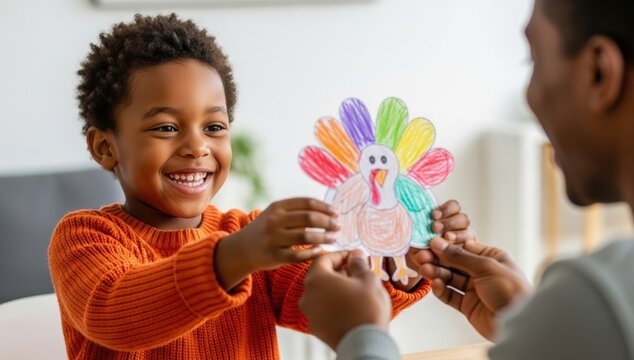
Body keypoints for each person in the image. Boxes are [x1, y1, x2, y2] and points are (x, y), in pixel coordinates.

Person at [47, 13, 475, 359]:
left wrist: (402, 264)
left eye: (214, 126)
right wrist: (238, 254)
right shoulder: (85, 237)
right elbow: (116, 314)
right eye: (166, 127)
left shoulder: (244, 233)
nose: (197, 146)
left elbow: (331, 307)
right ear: (105, 147)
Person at [300, 0, 634, 358]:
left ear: (599, 71)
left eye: (532, 60)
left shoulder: (601, 300)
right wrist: (526, 322)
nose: (529, 97)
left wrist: (360, 338)